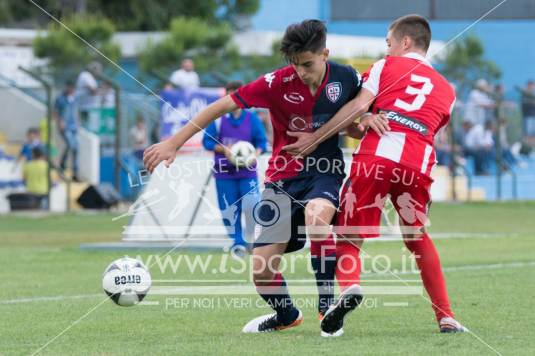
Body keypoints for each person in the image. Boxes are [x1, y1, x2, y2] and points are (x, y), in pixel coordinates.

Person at [144, 19, 363, 333]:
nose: (301, 72)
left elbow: (365, 104)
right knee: (261, 270)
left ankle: (327, 311)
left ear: (325, 54)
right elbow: (220, 106)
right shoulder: (277, 83)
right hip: (283, 179)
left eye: (308, 64)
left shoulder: (346, 77)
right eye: (295, 65)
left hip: (324, 173)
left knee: (318, 218)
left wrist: (364, 119)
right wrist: (173, 142)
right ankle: (287, 316)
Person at [284, 14, 468, 335]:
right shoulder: (448, 91)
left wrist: (317, 137)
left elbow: (357, 108)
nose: (388, 48)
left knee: (348, 235)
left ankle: (350, 287)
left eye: (389, 42)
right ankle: (447, 317)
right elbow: (427, 130)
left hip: (377, 157)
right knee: (417, 238)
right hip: (418, 164)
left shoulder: (386, 66)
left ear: (405, 42)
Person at [202, 81, 267, 252]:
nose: (234, 100)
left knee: (252, 205)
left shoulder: (251, 118)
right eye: (230, 95)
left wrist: (254, 155)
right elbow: (207, 142)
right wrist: (225, 149)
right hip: (224, 172)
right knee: (229, 209)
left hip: (248, 172)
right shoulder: (217, 119)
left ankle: (253, 238)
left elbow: (262, 143)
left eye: (237, 95)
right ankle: (237, 243)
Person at [55, 80, 80, 181]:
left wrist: (78, 121)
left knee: (76, 148)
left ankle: (75, 172)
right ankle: (62, 166)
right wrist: (60, 121)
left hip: (74, 126)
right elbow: (56, 112)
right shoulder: (60, 99)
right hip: (65, 126)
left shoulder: (74, 98)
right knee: (70, 145)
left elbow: (76, 111)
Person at [520, 80, 535, 148]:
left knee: (532, 135)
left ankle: (531, 149)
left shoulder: (532, 94)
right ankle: (526, 148)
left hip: (533, 116)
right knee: (527, 134)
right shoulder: (525, 94)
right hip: (527, 116)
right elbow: (525, 104)